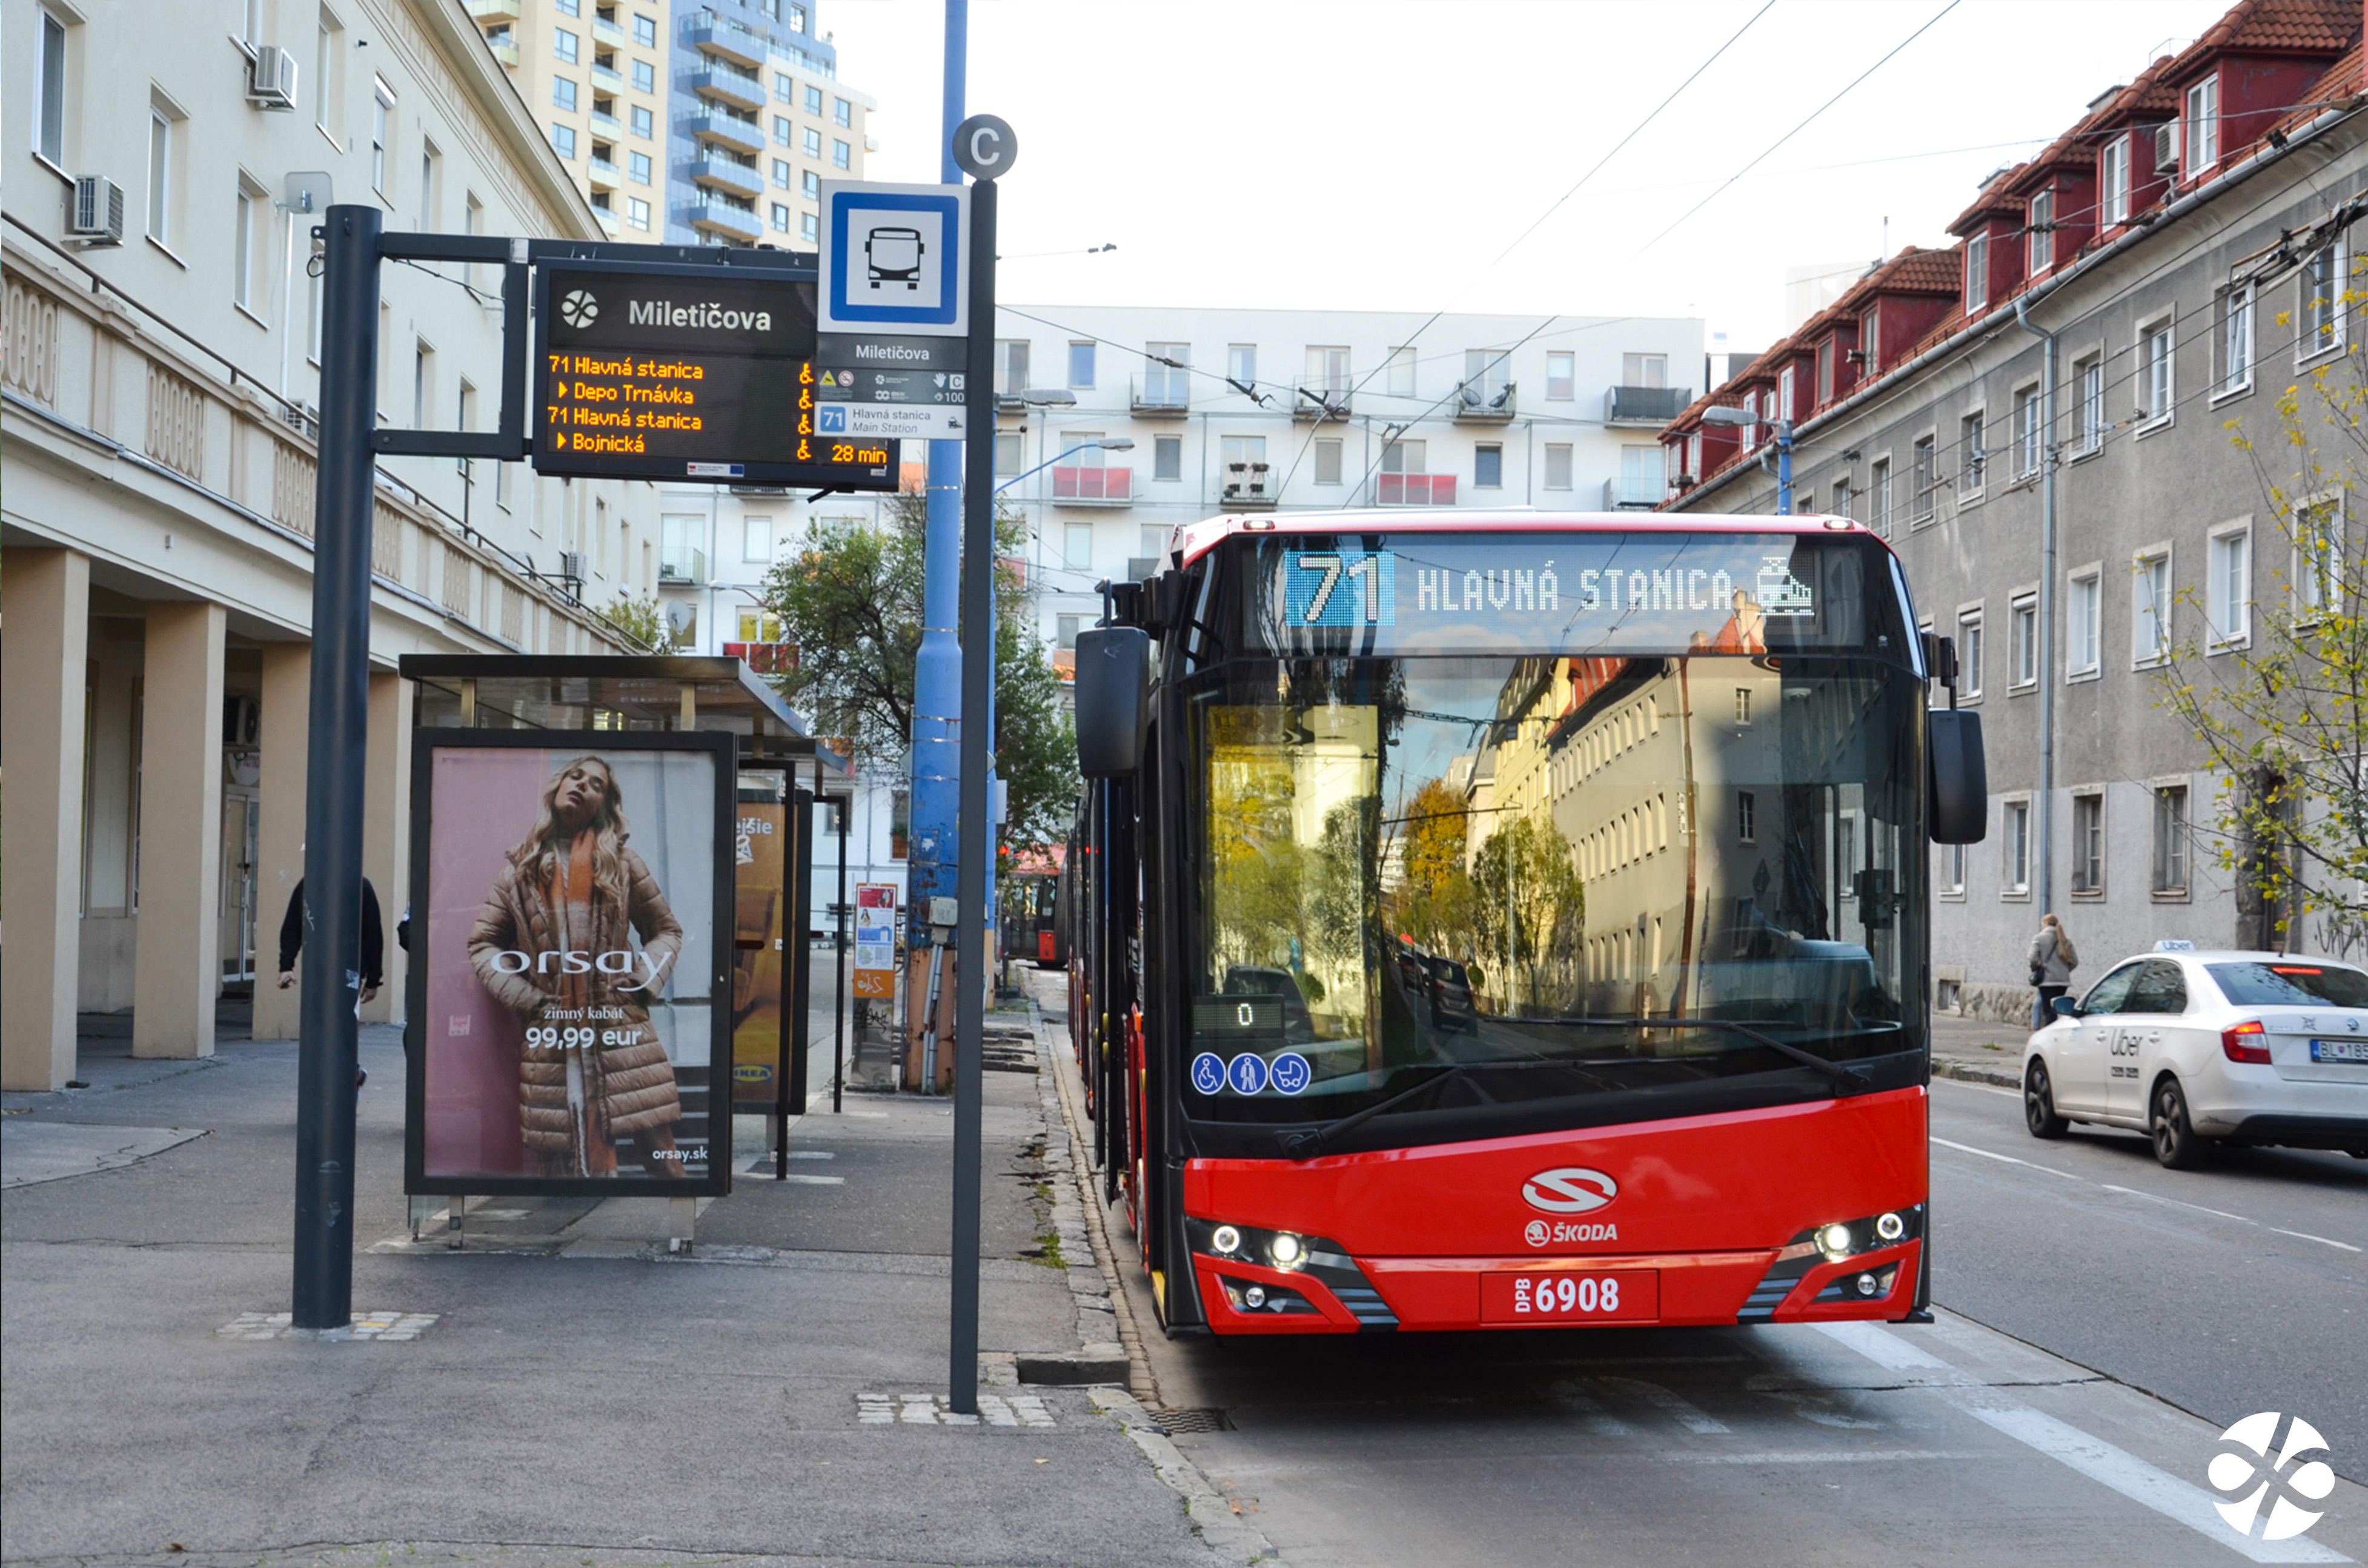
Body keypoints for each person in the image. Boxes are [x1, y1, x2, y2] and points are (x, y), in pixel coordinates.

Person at [466, 755, 689, 1180]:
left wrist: (643, 979)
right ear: (557, 786)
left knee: (665, 1162)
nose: (582, 785)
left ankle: (683, 1230)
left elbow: (666, 930)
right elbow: (482, 944)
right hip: (554, 1031)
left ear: (604, 805)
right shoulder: (519, 871)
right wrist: (529, 999)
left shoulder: (622, 864)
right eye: (575, 776)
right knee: (559, 1171)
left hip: (620, 1027)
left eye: (595, 784)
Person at [277, 875, 385, 1094]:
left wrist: (374, 978)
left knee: (336, 1026)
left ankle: (346, 1077)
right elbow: (293, 926)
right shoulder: (311, 885)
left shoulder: (358, 886)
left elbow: (373, 934)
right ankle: (344, 1077)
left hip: (343, 973)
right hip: (328, 972)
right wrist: (286, 966)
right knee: (322, 1027)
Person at [2028, 913, 2078, 1028]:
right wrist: (2064, 971)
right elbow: (2074, 961)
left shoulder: (2039, 938)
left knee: (2048, 1011)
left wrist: (2039, 967)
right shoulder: (2066, 940)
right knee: (2057, 1009)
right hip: (2062, 981)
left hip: (2047, 981)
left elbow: (2032, 958)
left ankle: (2050, 1034)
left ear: (2045, 924)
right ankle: (2057, 1032)